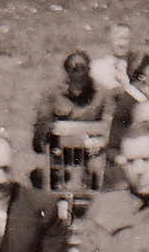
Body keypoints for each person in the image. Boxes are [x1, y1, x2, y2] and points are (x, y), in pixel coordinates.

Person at [30, 50, 131, 180]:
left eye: (83, 71)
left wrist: (101, 142)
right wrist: (52, 137)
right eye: (74, 71)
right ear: (67, 73)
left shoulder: (103, 95)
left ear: (89, 71)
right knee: (39, 177)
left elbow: (111, 127)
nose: (79, 77)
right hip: (60, 154)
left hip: (94, 154)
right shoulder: (52, 95)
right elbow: (40, 131)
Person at [90, 22, 143, 98]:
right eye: (116, 39)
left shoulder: (139, 65)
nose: (121, 44)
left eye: (125, 39)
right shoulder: (97, 67)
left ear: (132, 41)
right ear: (109, 40)